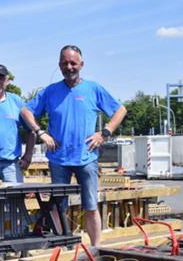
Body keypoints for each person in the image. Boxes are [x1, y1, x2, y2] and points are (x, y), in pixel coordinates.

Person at [20, 45, 127, 247]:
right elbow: (26, 111)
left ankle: (95, 248)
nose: (69, 67)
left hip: (86, 158)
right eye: (64, 63)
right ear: (59, 65)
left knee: (91, 206)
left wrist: (104, 132)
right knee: (58, 207)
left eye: (73, 63)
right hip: (59, 159)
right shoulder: (51, 92)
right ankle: (65, 245)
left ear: (81, 64)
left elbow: (120, 110)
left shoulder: (93, 89)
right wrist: (40, 132)